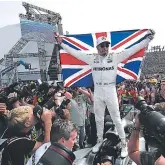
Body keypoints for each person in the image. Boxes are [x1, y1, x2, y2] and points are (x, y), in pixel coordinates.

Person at [57, 29, 155, 157]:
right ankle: (98, 141)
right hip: (98, 90)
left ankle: (123, 143)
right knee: (98, 118)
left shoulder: (115, 57)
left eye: (107, 45)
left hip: (110, 90)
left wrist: (147, 40)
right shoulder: (92, 58)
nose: (105, 48)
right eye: (102, 46)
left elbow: (132, 50)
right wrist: (62, 43)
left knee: (116, 118)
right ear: (97, 48)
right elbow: (75, 53)